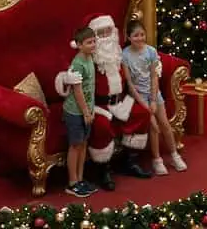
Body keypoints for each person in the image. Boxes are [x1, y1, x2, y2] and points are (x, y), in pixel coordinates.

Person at [83, 14, 151, 187]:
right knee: (102, 126)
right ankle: (102, 169)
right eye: (101, 32)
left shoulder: (117, 54)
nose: (106, 36)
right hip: (100, 104)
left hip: (120, 101)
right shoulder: (90, 58)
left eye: (108, 31)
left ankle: (130, 162)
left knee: (141, 113)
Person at [121, 19, 186, 176]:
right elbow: (129, 83)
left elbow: (154, 77)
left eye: (142, 34)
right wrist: (143, 102)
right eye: (136, 35)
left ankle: (174, 155)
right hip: (138, 97)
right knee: (154, 127)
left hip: (153, 94)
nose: (140, 38)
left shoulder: (151, 51)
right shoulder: (125, 55)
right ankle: (156, 160)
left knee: (164, 124)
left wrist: (153, 99)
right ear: (129, 37)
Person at [63, 26, 98, 197]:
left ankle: (80, 178)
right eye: (88, 42)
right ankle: (72, 182)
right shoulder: (77, 63)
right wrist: (85, 112)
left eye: (94, 41)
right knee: (75, 145)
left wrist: (90, 110)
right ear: (78, 45)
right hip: (76, 111)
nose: (93, 45)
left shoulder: (90, 58)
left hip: (87, 110)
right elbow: (77, 91)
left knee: (84, 144)